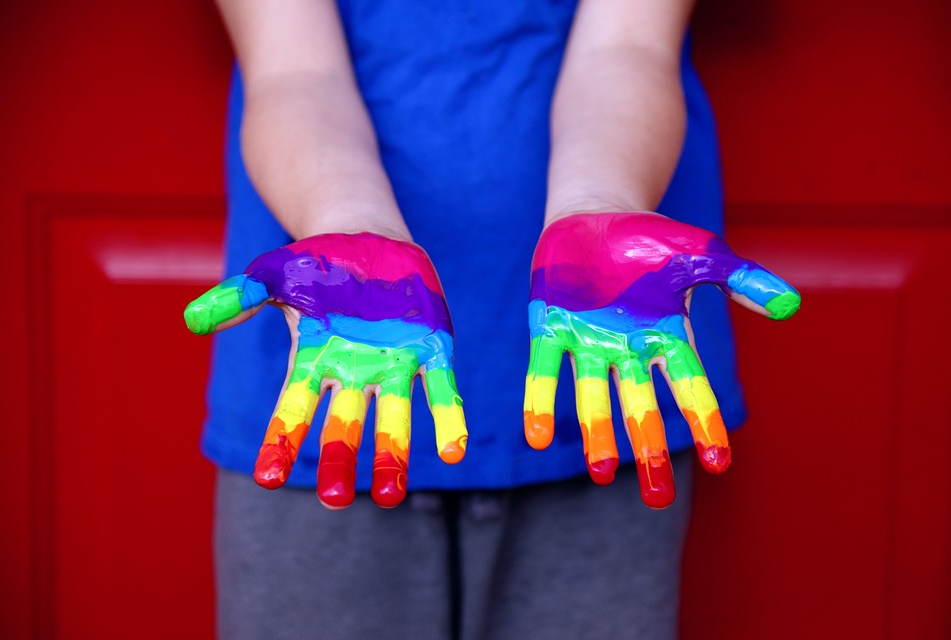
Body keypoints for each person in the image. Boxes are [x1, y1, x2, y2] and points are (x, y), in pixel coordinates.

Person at [184, 1, 799, 638]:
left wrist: (597, 208)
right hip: (330, 380)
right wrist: (350, 235)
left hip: (608, 369)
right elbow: (294, 72)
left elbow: (628, 48)